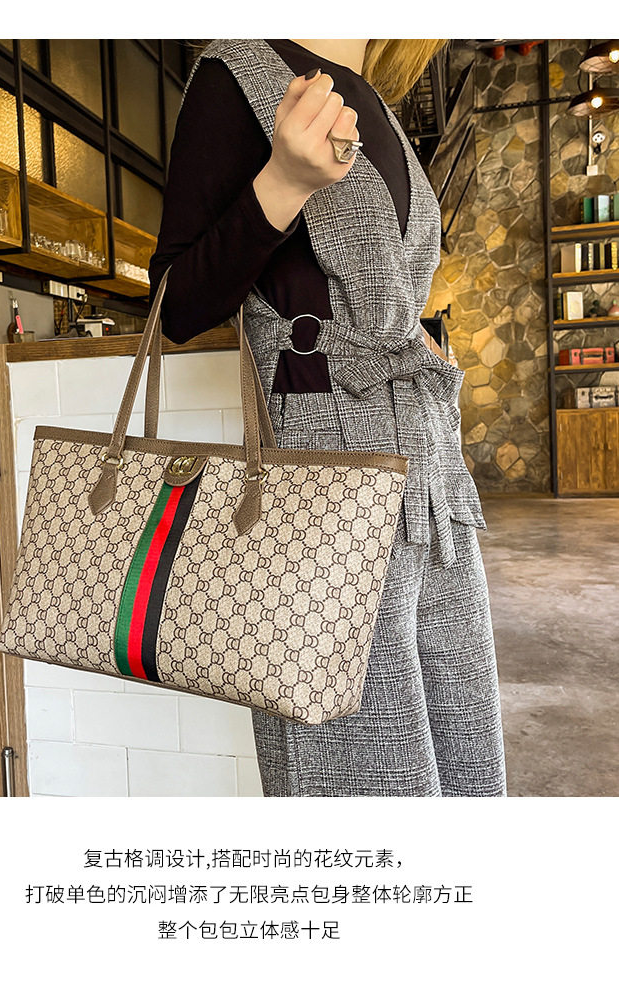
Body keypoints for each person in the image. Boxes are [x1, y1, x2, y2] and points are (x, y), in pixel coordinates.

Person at [148, 39, 507, 797]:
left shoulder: (379, 103)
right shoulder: (240, 72)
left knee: (464, 751)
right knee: (358, 775)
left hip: (432, 473)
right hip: (326, 464)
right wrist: (283, 182)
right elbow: (175, 305)